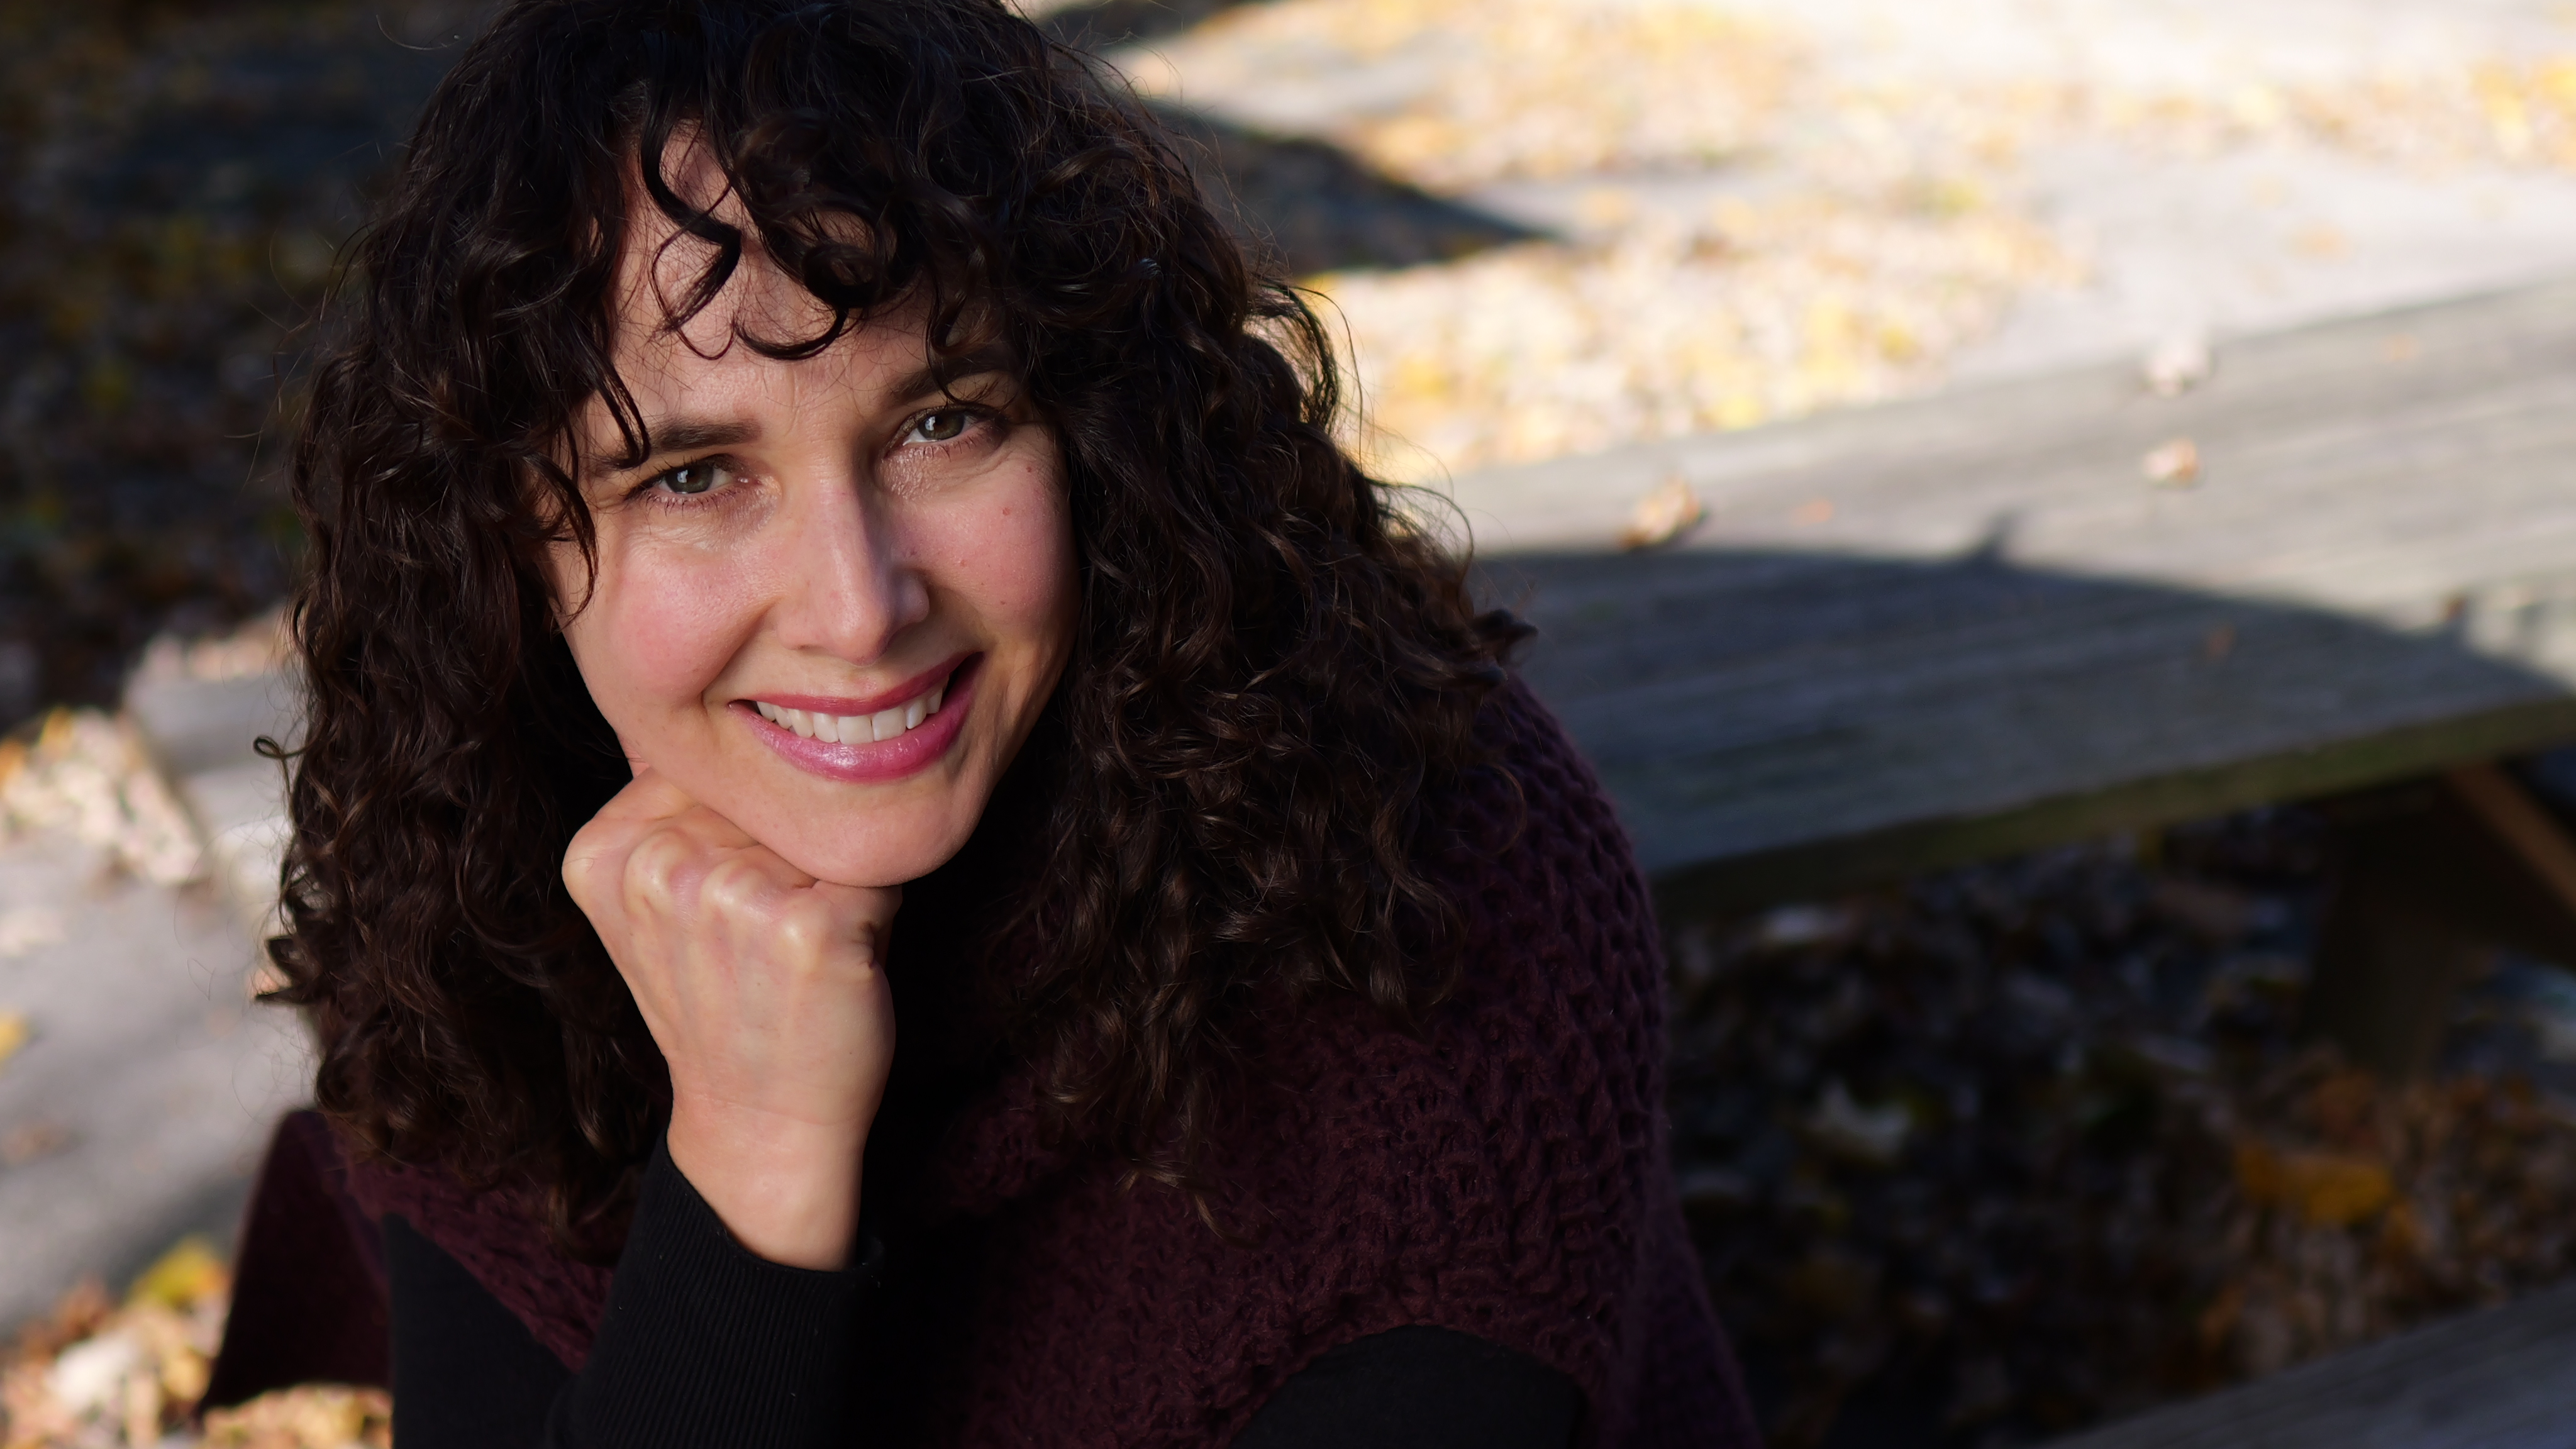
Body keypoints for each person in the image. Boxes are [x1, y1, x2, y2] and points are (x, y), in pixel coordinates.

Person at [231, 0, 1761, 1443]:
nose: (857, 606)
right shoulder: (477, 898)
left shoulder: (1431, 886)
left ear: (1091, 434)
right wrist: (749, 1163)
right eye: (691, 475)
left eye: (940, 421)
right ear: (506, 547)